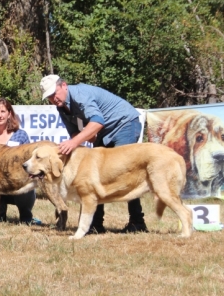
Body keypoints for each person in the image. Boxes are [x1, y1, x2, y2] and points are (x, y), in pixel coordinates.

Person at [40, 75, 147, 234]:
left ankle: (137, 223)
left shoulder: (80, 95)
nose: (53, 98)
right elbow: (78, 134)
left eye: (55, 93)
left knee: (125, 172)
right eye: (49, 96)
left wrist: (73, 143)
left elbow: (97, 122)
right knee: (92, 177)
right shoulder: (61, 107)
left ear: (64, 86)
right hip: (103, 132)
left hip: (124, 123)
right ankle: (95, 225)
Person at [0, 97, 42, 225]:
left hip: (17, 185)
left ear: (9, 114)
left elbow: (29, 162)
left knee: (26, 187)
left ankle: (26, 216)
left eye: (3, 111)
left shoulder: (21, 135)